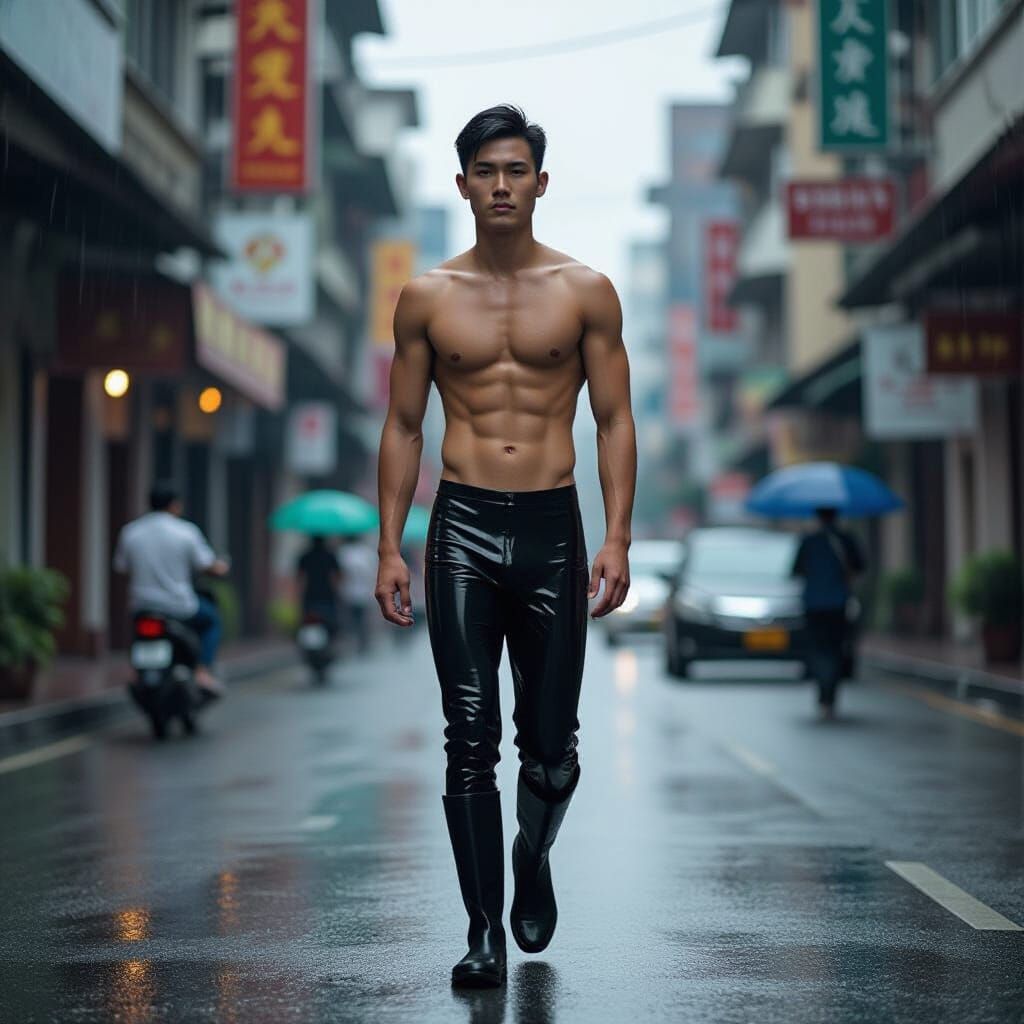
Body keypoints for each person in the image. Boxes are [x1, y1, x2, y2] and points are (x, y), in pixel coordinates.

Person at [374, 104, 636, 988]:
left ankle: (532, 852)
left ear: (540, 183)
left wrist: (619, 537)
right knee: (470, 734)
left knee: (553, 746)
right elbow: (404, 424)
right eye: (484, 171)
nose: (499, 186)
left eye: (515, 170)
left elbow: (614, 419)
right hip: (461, 526)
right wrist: (389, 547)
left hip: (554, 528)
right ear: (461, 185)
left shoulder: (585, 290)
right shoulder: (428, 296)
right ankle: (483, 929)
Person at [113, 481, 230, 699]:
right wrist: (221, 567)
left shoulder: (131, 532)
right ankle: (203, 671)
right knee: (211, 620)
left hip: (143, 606)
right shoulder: (185, 532)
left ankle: (136, 672)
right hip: (179, 607)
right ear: (175, 505)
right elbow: (207, 565)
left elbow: (122, 568)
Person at [792, 507, 866, 720]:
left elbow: (795, 570)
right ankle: (830, 697)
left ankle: (823, 695)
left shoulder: (808, 541)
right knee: (835, 649)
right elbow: (860, 567)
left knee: (818, 649)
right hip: (837, 604)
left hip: (813, 605)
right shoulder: (846, 540)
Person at [337, 535, 378, 652]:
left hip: (348, 592)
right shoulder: (367, 553)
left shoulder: (343, 553)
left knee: (350, 619)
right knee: (362, 620)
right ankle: (362, 642)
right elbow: (373, 573)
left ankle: (353, 641)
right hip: (364, 593)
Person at [297, 535, 341, 632]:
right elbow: (336, 576)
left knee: (308, 621)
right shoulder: (330, 556)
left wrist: (299, 593)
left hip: (310, 594)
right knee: (329, 623)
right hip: (327, 595)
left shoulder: (305, 556)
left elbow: (300, 577)